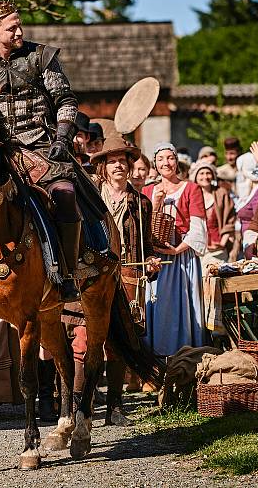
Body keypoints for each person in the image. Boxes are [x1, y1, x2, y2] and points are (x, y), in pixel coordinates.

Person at [0, 0, 83, 302]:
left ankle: (67, 274)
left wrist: (63, 138)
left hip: (44, 147)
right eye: (12, 27)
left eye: (19, 25)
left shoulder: (42, 57)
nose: (19, 32)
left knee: (65, 195)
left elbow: (66, 101)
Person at [91, 136, 161, 424]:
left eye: (123, 161)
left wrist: (151, 263)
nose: (118, 166)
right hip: (94, 274)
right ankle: (78, 406)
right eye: (112, 161)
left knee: (122, 341)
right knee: (85, 341)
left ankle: (115, 408)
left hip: (129, 275)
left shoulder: (140, 203)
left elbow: (147, 245)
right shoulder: (91, 198)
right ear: (103, 168)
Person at [143, 143, 208, 357]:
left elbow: (198, 225)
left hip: (182, 254)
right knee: (157, 303)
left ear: (176, 161)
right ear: (155, 163)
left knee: (183, 304)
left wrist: (177, 249)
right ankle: (158, 357)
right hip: (156, 257)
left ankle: (186, 355)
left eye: (169, 158)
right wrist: (156, 203)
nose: (166, 163)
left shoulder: (191, 188)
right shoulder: (148, 191)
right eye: (161, 159)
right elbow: (144, 226)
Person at [190, 161, 235, 269]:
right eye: (201, 173)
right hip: (195, 249)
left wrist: (223, 243)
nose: (205, 176)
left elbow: (230, 219)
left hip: (217, 248)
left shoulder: (221, 193)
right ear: (195, 176)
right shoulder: (190, 195)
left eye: (208, 173)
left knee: (215, 280)